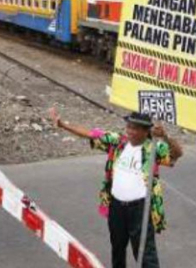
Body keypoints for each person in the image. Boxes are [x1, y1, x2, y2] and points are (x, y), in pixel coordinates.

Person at [50, 109, 183, 268]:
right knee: (117, 249)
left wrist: (165, 136)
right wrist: (63, 125)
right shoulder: (118, 142)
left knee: (145, 254)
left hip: (140, 209)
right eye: (129, 127)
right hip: (117, 207)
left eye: (135, 128)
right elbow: (92, 134)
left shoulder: (154, 147)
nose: (130, 131)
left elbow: (177, 154)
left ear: (146, 131)